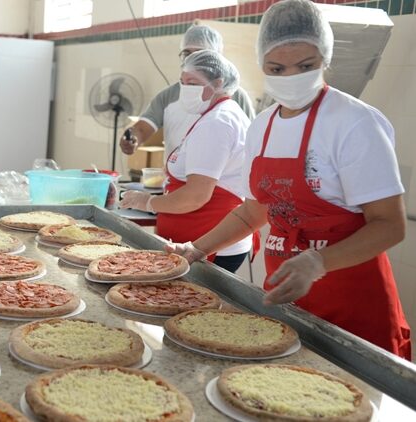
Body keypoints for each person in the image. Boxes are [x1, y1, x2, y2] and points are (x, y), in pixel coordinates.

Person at [166, 0, 411, 359]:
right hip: (286, 294)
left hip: (352, 299)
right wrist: (198, 248)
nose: (291, 77)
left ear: (325, 59)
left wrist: (318, 263)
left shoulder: (355, 122)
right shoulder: (262, 126)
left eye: (306, 66)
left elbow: (390, 225)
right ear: (261, 64)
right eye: (277, 67)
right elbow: (253, 214)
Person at [121, 50, 252, 273]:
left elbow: (195, 196)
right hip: (197, 239)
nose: (185, 90)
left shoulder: (217, 123)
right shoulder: (216, 115)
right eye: (182, 82)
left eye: (192, 83)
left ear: (218, 83)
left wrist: (148, 203)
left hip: (207, 243)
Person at [120, 24, 256, 157]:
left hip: (223, 178)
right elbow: (143, 128)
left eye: (199, 55)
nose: (192, 60)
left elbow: (253, 139)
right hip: (177, 177)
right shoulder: (168, 97)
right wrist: (132, 138)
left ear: (216, 60)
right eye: (187, 54)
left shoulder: (236, 96)